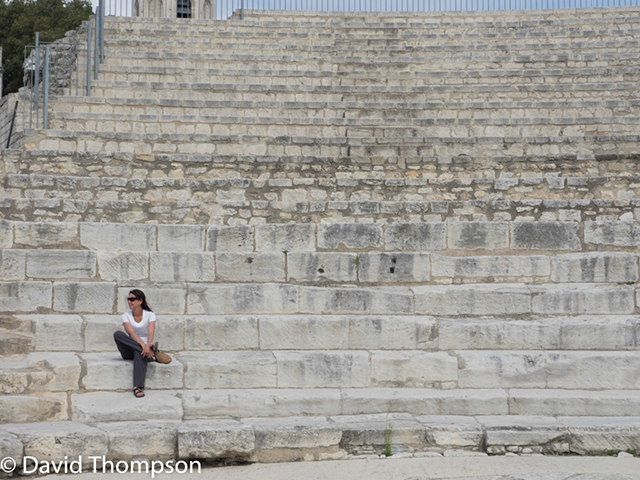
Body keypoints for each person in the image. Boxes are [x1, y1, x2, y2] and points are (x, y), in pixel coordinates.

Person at [113, 289, 170, 398]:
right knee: (118, 334)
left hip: (141, 351)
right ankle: (149, 353)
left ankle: (137, 387)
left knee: (138, 352)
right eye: (128, 299)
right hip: (131, 349)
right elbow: (131, 333)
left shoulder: (150, 315)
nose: (129, 301)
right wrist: (145, 346)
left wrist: (147, 344)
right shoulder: (126, 316)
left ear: (140, 301)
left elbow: (151, 331)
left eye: (132, 299)